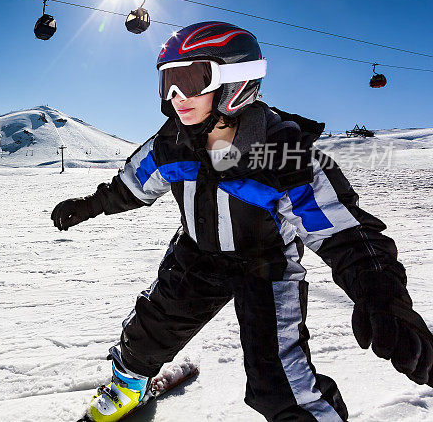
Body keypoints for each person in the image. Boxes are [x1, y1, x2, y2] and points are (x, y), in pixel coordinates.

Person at [51, 21, 433, 422]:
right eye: (168, 82)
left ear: (237, 81)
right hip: (197, 256)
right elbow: (131, 186)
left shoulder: (285, 156)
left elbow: (347, 234)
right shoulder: (170, 145)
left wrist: (381, 294)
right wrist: (90, 204)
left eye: (191, 79)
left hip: (266, 265)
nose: (177, 96)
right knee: (149, 331)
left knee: (277, 379)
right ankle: (129, 384)